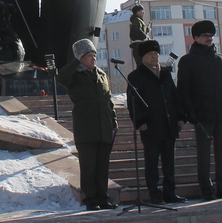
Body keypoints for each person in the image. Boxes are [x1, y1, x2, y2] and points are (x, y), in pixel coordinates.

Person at [178, 20, 222, 200]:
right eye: (204, 35)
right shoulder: (188, 61)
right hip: (202, 115)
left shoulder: (221, 59)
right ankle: (206, 189)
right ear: (196, 38)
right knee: (204, 154)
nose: (208, 38)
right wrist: (190, 111)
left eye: (210, 35)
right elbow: (184, 88)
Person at [58, 39, 117, 210]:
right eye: (89, 56)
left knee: (102, 166)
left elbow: (108, 101)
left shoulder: (102, 75)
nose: (94, 59)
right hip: (86, 127)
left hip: (104, 126)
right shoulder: (75, 76)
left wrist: (114, 122)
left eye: (94, 55)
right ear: (81, 57)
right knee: (89, 166)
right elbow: (61, 77)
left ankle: (103, 198)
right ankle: (90, 200)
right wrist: (76, 60)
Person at [126, 40, 185, 204]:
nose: (154, 56)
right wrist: (140, 121)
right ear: (143, 57)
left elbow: (175, 96)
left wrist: (180, 116)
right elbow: (133, 103)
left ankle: (170, 193)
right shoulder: (136, 76)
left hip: (168, 124)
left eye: (156, 54)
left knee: (169, 163)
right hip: (150, 126)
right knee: (152, 164)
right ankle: (155, 194)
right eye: (151, 54)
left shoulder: (165, 74)